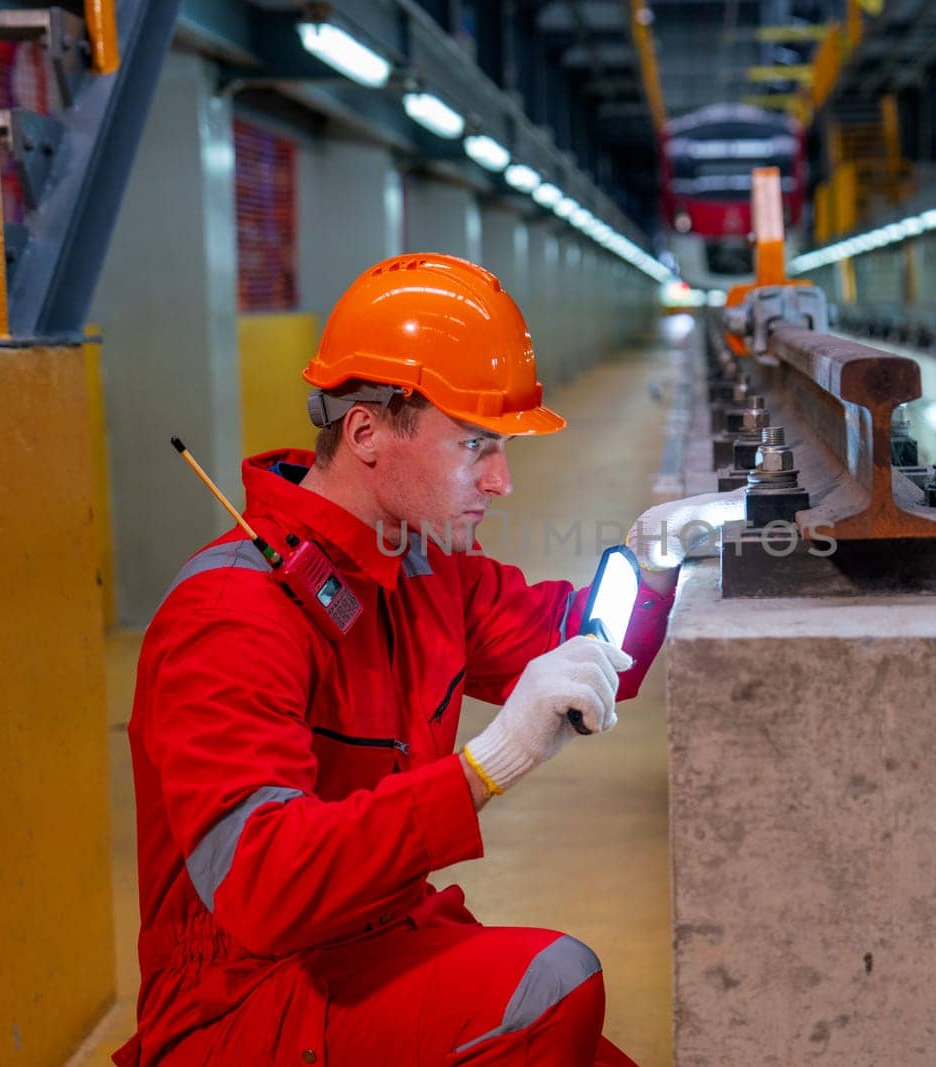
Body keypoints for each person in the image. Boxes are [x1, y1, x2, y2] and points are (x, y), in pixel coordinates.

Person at [114, 253, 712, 1066]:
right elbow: (261, 885)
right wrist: (490, 762)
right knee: (553, 986)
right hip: (243, 1005)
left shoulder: (423, 569)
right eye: (476, 447)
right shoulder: (227, 616)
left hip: (370, 945)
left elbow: (591, 649)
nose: (500, 481)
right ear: (366, 431)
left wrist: (660, 562)